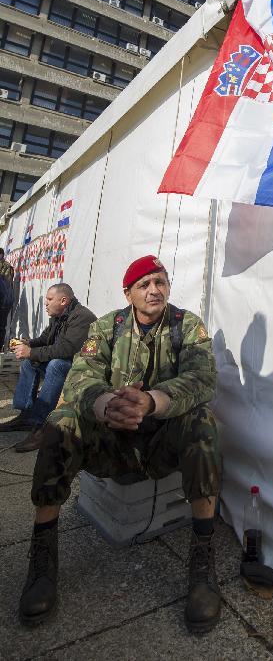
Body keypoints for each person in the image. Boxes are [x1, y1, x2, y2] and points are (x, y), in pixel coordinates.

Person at [19, 255, 221, 636]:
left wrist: (152, 402)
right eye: (144, 284)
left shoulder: (186, 325)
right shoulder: (106, 327)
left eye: (160, 282)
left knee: (203, 420)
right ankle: (42, 555)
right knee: (60, 422)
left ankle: (202, 560)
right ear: (128, 293)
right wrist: (106, 405)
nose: (154, 290)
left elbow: (202, 378)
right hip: (111, 441)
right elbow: (80, 378)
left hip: (162, 441)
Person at [0, 284, 96, 452]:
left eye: (50, 299)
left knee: (56, 365)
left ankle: (42, 425)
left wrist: (30, 352)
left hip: (82, 370)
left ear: (63, 300)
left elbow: (66, 349)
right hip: (67, 362)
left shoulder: (82, 317)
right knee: (30, 362)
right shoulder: (59, 315)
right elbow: (45, 339)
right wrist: (27, 344)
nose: (46, 303)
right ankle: (27, 414)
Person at [0, 247, 14, 349]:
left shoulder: (6, 266)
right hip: (5, 300)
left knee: (1, 325)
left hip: (4, 301)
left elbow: (6, 283)